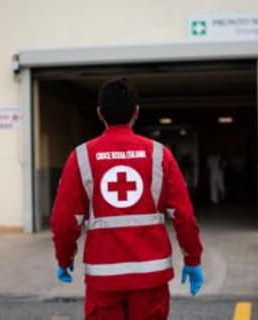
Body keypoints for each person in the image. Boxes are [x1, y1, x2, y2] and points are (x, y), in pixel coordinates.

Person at [51, 78, 204, 319]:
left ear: (100, 113)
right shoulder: (159, 154)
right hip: (151, 276)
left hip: (103, 278)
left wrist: (64, 257)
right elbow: (183, 215)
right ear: (136, 112)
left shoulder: (81, 157)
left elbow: (64, 220)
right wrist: (193, 259)